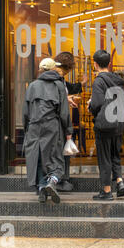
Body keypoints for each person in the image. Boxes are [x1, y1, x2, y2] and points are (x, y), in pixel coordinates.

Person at [23, 58, 73, 203]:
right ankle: (52, 182)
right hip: (52, 125)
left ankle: (41, 189)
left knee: (37, 157)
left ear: (40, 70)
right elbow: (64, 112)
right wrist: (68, 130)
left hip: (34, 126)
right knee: (55, 157)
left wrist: (27, 128)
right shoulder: (58, 85)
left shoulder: (32, 86)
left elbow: (25, 112)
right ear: (53, 69)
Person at [87, 50, 124, 200]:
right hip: (118, 123)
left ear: (95, 64)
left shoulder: (99, 81)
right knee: (115, 154)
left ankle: (107, 191)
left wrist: (90, 105)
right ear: (109, 63)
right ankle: (120, 181)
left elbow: (97, 104)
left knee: (104, 158)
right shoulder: (118, 80)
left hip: (104, 124)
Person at [53, 52, 88, 192]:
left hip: (58, 120)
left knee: (61, 151)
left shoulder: (57, 79)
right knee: (60, 152)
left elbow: (64, 90)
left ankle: (61, 179)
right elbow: (57, 96)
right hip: (58, 121)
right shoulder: (57, 80)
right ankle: (60, 180)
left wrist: (67, 98)